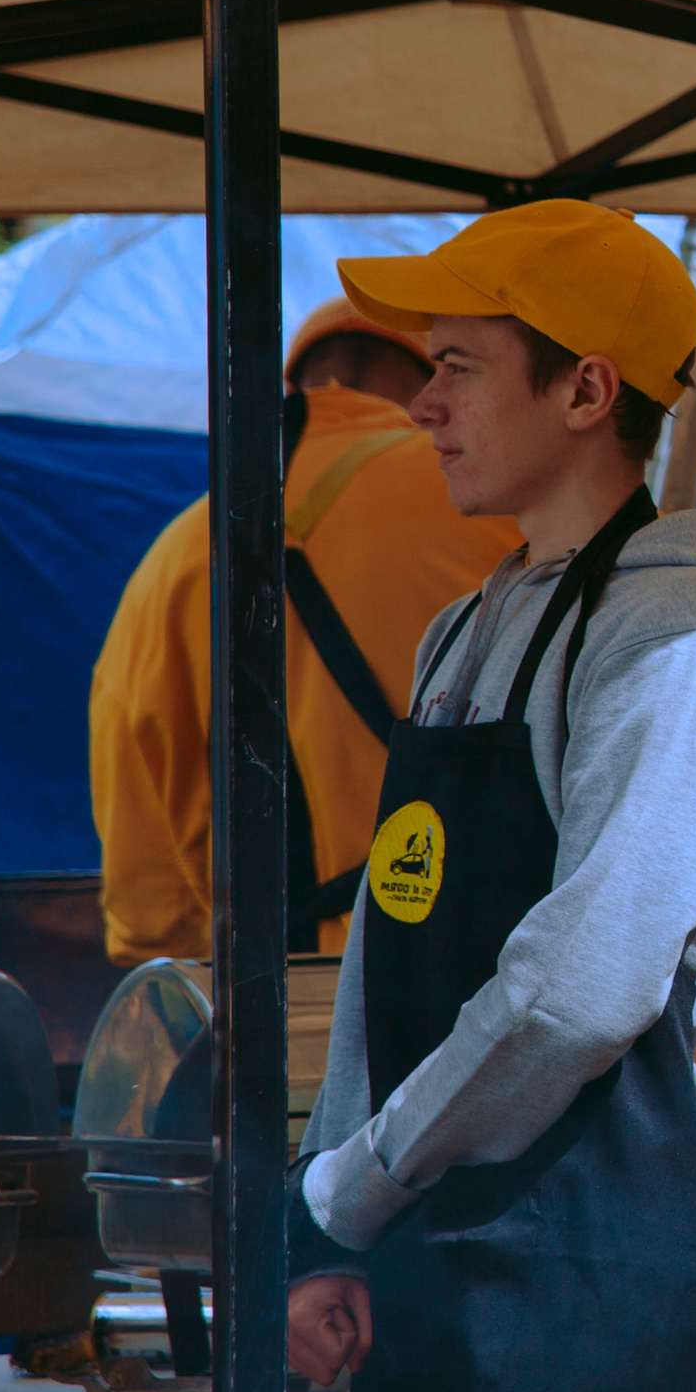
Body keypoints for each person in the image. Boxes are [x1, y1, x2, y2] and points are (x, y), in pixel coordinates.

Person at [283, 201, 696, 1392]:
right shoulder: (470, 628)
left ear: (586, 390)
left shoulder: (681, 648)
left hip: (598, 1269)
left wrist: (361, 1181)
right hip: (441, 1255)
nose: (421, 402)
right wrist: (341, 1225)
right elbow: (393, 946)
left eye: (457, 365)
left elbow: (579, 994)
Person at [88, 299, 521, 965]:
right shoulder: (496, 508)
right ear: (430, 394)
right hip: (467, 990)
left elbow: (148, 901)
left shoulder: (165, 562)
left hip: (263, 1015)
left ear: (294, 387)